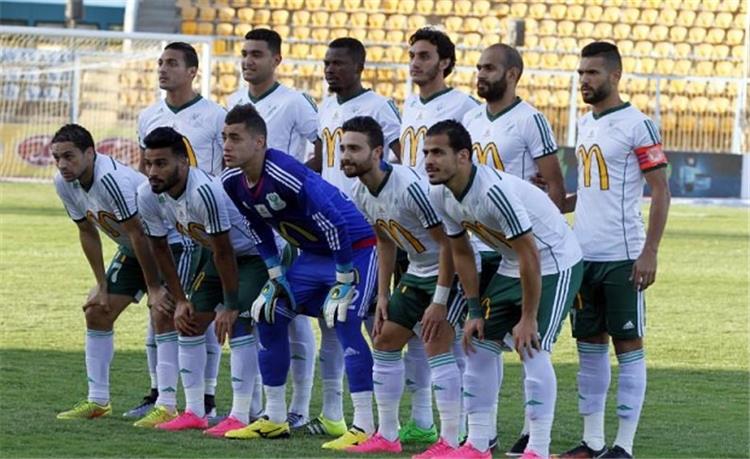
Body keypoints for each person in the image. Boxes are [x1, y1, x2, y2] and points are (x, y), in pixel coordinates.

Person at [220, 103, 377, 450]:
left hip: (356, 249)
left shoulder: (285, 173)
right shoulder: (231, 180)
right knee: (269, 313)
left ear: (259, 142)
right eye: (224, 137)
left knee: (345, 319)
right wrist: (275, 273)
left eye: (235, 138)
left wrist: (344, 278)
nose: (226, 146)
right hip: (312, 255)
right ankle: (275, 418)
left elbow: (335, 223)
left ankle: (364, 425)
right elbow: (257, 226)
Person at [423, 120, 582, 459]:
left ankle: (537, 449)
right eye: (426, 153)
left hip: (553, 262)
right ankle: (478, 445)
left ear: (463, 156)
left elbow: (531, 253)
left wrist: (528, 317)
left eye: (438, 152)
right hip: (512, 264)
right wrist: (474, 310)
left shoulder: (493, 191)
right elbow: (461, 251)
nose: (429, 161)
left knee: (532, 348)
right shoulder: (439, 193)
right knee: (478, 346)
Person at [559, 42, 670, 459]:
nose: (584, 81)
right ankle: (592, 442)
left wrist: (650, 251)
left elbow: (660, 191)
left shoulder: (639, 125)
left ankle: (624, 445)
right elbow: (593, 188)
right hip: (582, 256)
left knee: (628, 346)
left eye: (592, 73)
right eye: (580, 73)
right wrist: (561, 202)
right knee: (589, 348)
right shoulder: (585, 124)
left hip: (622, 256)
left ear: (615, 75)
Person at [340, 116, 467, 458]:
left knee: (437, 344)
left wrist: (440, 299)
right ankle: (387, 435)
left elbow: (449, 244)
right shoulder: (359, 191)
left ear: (378, 152)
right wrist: (382, 295)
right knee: (384, 340)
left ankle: (451, 441)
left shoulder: (410, 188)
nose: (346, 156)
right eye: (343, 148)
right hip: (416, 271)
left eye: (354, 148)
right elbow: (384, 241)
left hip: (452, 270)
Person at [463, 43, 567, 456]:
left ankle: (530, 433)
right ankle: (482, 433)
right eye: (478, 67)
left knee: (528, 339)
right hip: (480, 243)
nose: (480, 74)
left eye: (489, 68)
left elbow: (554, 184)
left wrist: (544, 233)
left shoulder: (530, 120)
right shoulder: (471, 119)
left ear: (512, 74)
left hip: (521, 242)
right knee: (481, 338)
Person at [136, 126, 267, 436]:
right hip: (218, 255)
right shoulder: (147, 194)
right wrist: (181, 299)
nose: (152, 172)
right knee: (190, 321)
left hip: (255, 255)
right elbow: (160, 249)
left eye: (161, 163)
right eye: (149, 163)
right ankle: (195, 412)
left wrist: (230, 304)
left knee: (238, 323)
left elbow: (225, 250)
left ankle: (241, 414)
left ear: (184, 162)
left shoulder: (203, 191)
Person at [306, 36, 401, 439]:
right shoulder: (325, 107)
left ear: (359, 67)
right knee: (330, 321)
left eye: (339, 63)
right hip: (326, 228)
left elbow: (400, 161)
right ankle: (333, 414)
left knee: (357, 319)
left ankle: (376, 421)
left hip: (366, 229)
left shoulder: (380, 107)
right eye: (327, 63)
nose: (330, 69)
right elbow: (320, 160)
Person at [51, 124, 180, 420]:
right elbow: (86, 230)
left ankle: (167, 405)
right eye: (57, 157)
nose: (62, 164)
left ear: (90, 153)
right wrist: (101, 284)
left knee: (163, 313)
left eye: (69, 156)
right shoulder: (63, 182)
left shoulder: (110, 179)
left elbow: (138, 233)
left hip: (168, 245)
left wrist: (154, 288)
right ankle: (98, 401)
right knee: (97, 311)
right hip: (135, 248)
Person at [226, 27, 320, 426]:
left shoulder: (296, 101)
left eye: (257, 54)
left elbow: (323, 145)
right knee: (261, 313)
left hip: (290, 223)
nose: (248, 61)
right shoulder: (234, 101)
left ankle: (299, 406)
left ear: (276, 59)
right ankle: (258, 406)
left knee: (292, 314)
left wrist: (295, 186)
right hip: (251, 221)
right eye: (245, 53)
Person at [130, 41, 227, 420]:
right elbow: (146, 169)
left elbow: (224, 171)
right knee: (162, 310)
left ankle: (205, 397)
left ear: (192, 71)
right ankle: (160, 395)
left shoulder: (215, 116)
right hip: (165, 223)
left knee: (200, 313)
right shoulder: (148, 115)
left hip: (206, 228)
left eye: (171, 63)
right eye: (160, 62)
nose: (162, 69)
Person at [398, 27, 480, 444]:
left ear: (445, 63)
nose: (415, 62)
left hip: (450, 229)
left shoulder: (465, 108)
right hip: (412, 232)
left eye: (425, 55)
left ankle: (465, 428)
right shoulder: (409, 105)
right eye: (412, 54)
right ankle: (423, 419)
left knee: (451, 330)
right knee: (418, 330)